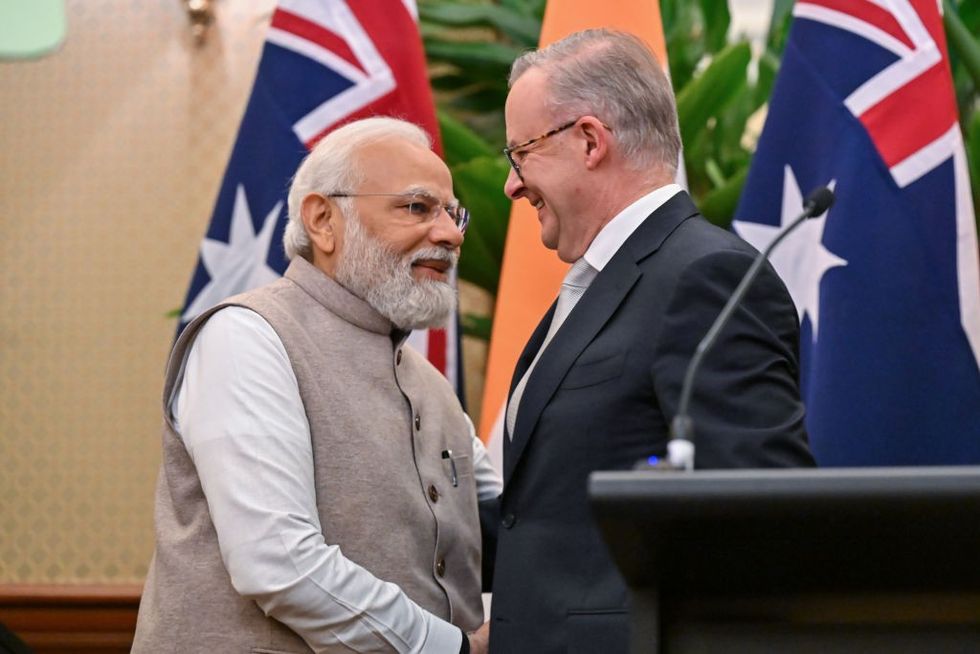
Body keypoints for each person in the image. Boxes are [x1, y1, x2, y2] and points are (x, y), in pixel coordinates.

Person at [488, 29, 816, 653]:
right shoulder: (596, 280)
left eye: (520, 153)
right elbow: (544, 507)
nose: (512, 184)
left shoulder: (706, 276)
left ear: (590, 141)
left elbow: (762, 516)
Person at [133, 117, 500, 654]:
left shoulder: (428, 383)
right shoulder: (247, 337)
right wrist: (453, 648)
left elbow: (503, 516)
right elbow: (278, 561)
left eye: (452, 213)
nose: (451, 234)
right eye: (417, 207)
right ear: (324, 221)